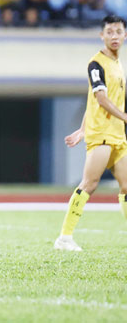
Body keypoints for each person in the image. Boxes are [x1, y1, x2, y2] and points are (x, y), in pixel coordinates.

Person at [55, 15, 127, 251]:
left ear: (124, 35)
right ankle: (64, 238)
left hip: (117, 135)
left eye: (118, 31)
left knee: (126, 186)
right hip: (103, 134)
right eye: (110, 32)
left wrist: (81, 128)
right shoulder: (96, 63)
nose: (114, 36)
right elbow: (100, 99)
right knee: (90, 183)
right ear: (102, 35)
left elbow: (93, 103)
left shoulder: (117, 64)